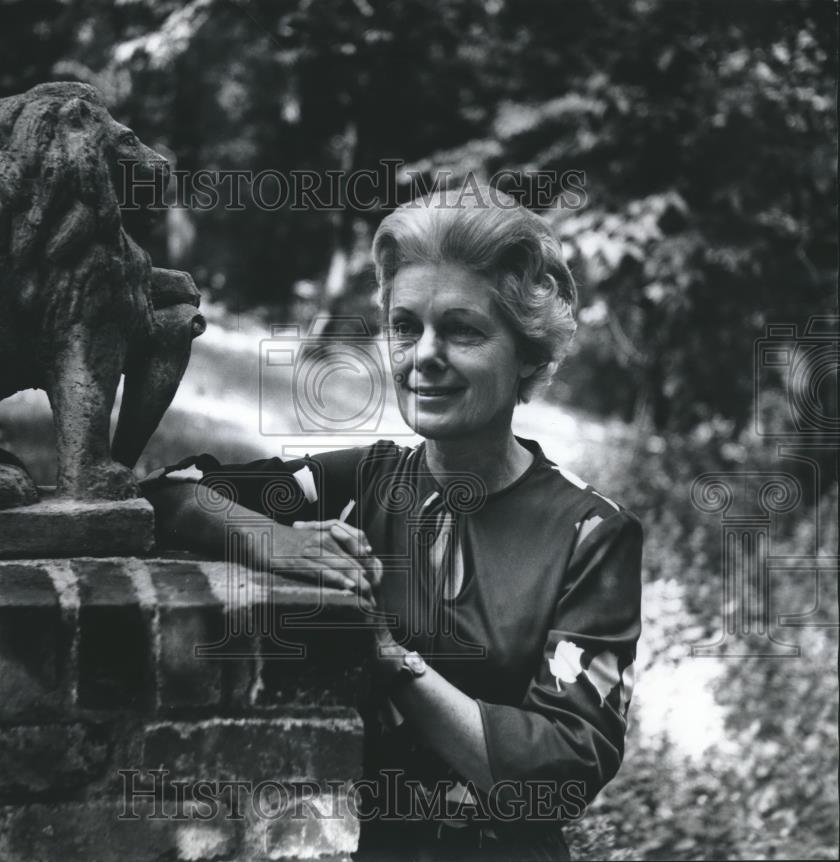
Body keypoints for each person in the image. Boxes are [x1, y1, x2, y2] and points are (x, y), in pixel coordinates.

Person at [143, 187, 642, 861]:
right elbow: (172, 494)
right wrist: (276, 540)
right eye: (407, 327)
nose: (424, 356)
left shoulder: (590, 535)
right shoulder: (364, 481)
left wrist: (389, 656)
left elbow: (562, 772)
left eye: (462, 330)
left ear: (526, 352)